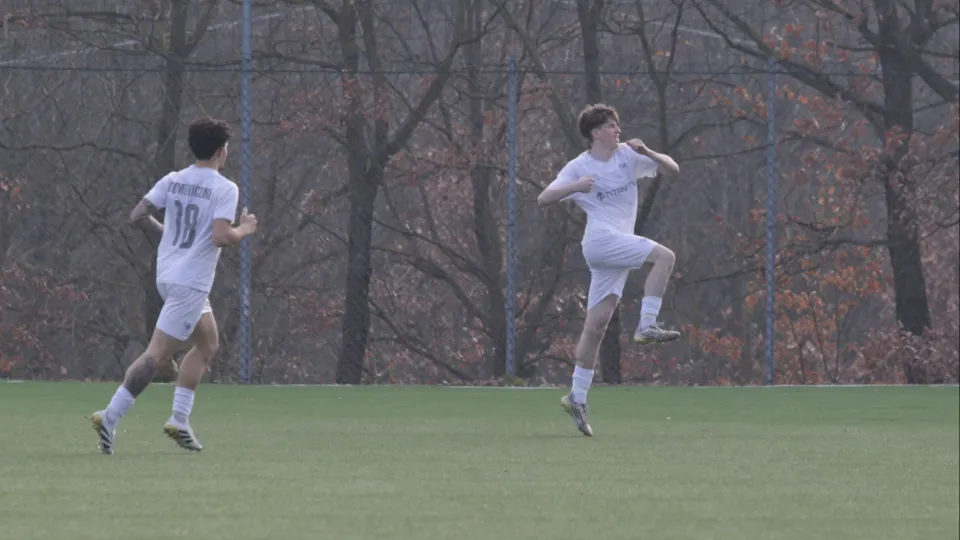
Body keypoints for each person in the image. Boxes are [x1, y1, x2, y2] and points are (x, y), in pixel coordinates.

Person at [90, 116, 257, 454]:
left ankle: (180, 419)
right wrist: (245, 229)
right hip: (191, 282)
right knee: (157, 354)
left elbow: (138, 215)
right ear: (222, 152)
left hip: (167, 275)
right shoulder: (225, 188)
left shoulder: (173, 179)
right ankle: (110, 414)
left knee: (208, 344)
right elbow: (222, 236)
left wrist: (168, 234)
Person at [537, 103, 681, 437]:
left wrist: (650, 152)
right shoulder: (579, 166)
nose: (618, 130)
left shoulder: (629, 157)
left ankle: (576, 396)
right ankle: (647, 325)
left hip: (613, 249)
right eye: (611, 126)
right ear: (595, 133)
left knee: (596, 326)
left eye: (617, 124)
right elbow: (544, 198)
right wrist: (574, 187)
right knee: (665, 257)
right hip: (601, 242)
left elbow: (673, 169)